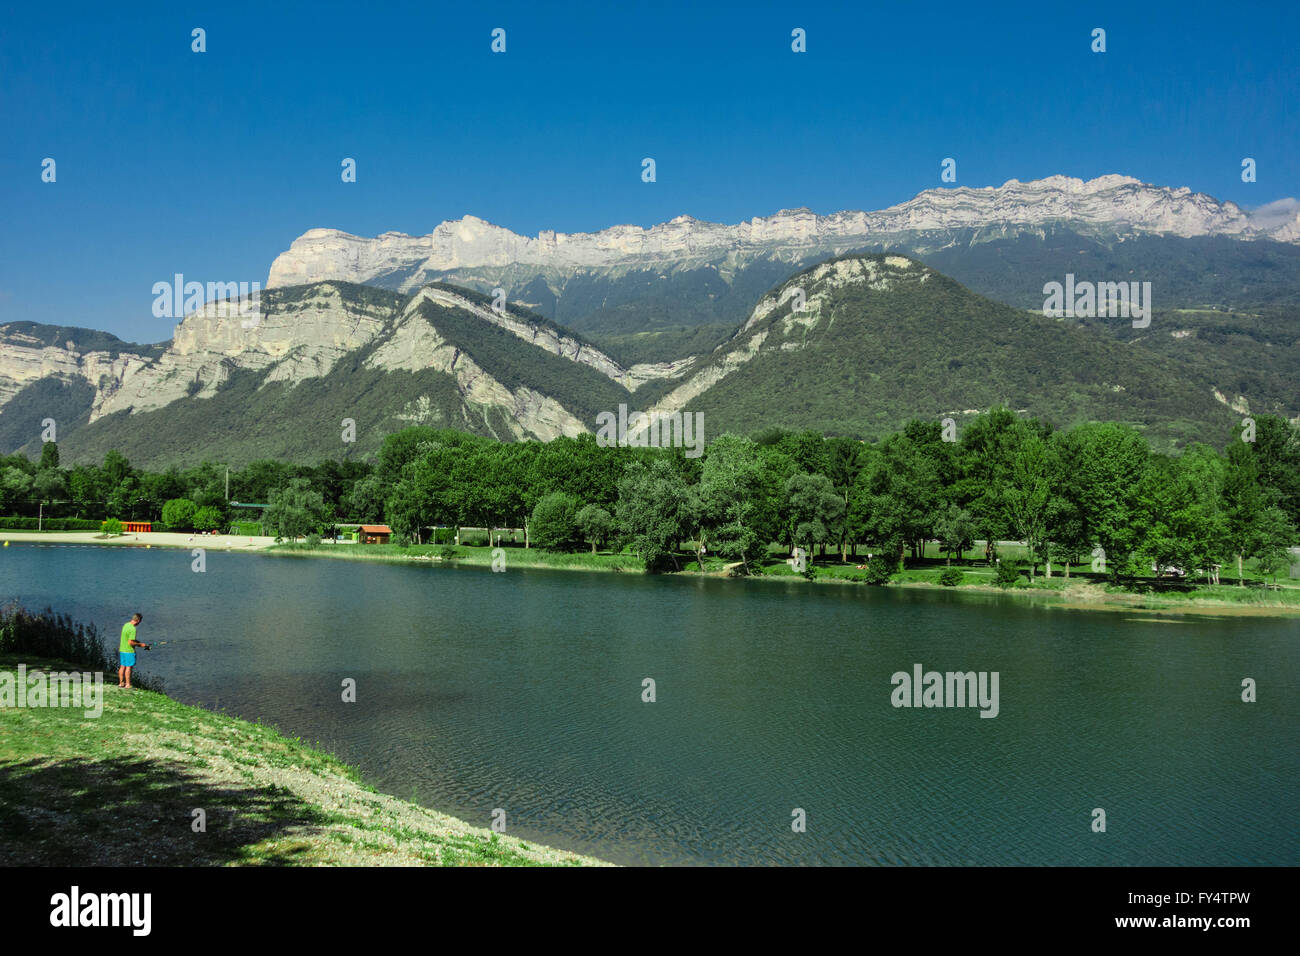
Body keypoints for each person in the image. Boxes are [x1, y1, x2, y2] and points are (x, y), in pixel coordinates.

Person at [118, 613, 150, 689]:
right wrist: (140, 645)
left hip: (122, 649)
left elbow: (130, 639)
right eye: (140, 621)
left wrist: (141, 643)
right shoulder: (133, 629)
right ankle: (128, 685)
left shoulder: (126, 625)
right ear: (138, 620)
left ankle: (121, 683)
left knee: (122, 666)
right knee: (128, 667)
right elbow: (131, 642)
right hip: (129, 651)